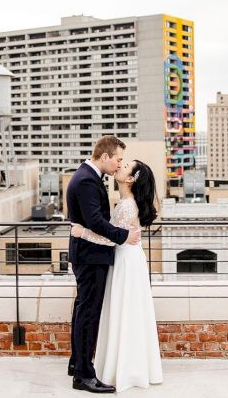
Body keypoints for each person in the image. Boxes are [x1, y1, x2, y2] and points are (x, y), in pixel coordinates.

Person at [71, 159, 163, 393]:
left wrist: (81, 232)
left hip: (125, 260)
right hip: (129, 258)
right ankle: (126, 365)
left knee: (123, 312)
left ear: (131, 179)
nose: (120, 166)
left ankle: (121, 367)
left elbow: (110, 237)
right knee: (128, 312)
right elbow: (117, 234)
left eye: (125, 166)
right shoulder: (126, 203)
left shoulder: (126, 206)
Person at [67, 136, 141, 394]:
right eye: (118, 159)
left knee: (82, 311)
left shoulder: (86, 175)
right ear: (106, 156)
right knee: (88, 315)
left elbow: (90, 222)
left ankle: (77, 363)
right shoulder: (87, 180)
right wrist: (124, 236)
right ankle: (84, 376)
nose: (119, 163)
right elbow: (95, 221)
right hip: (91, 256)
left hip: (88, 255)